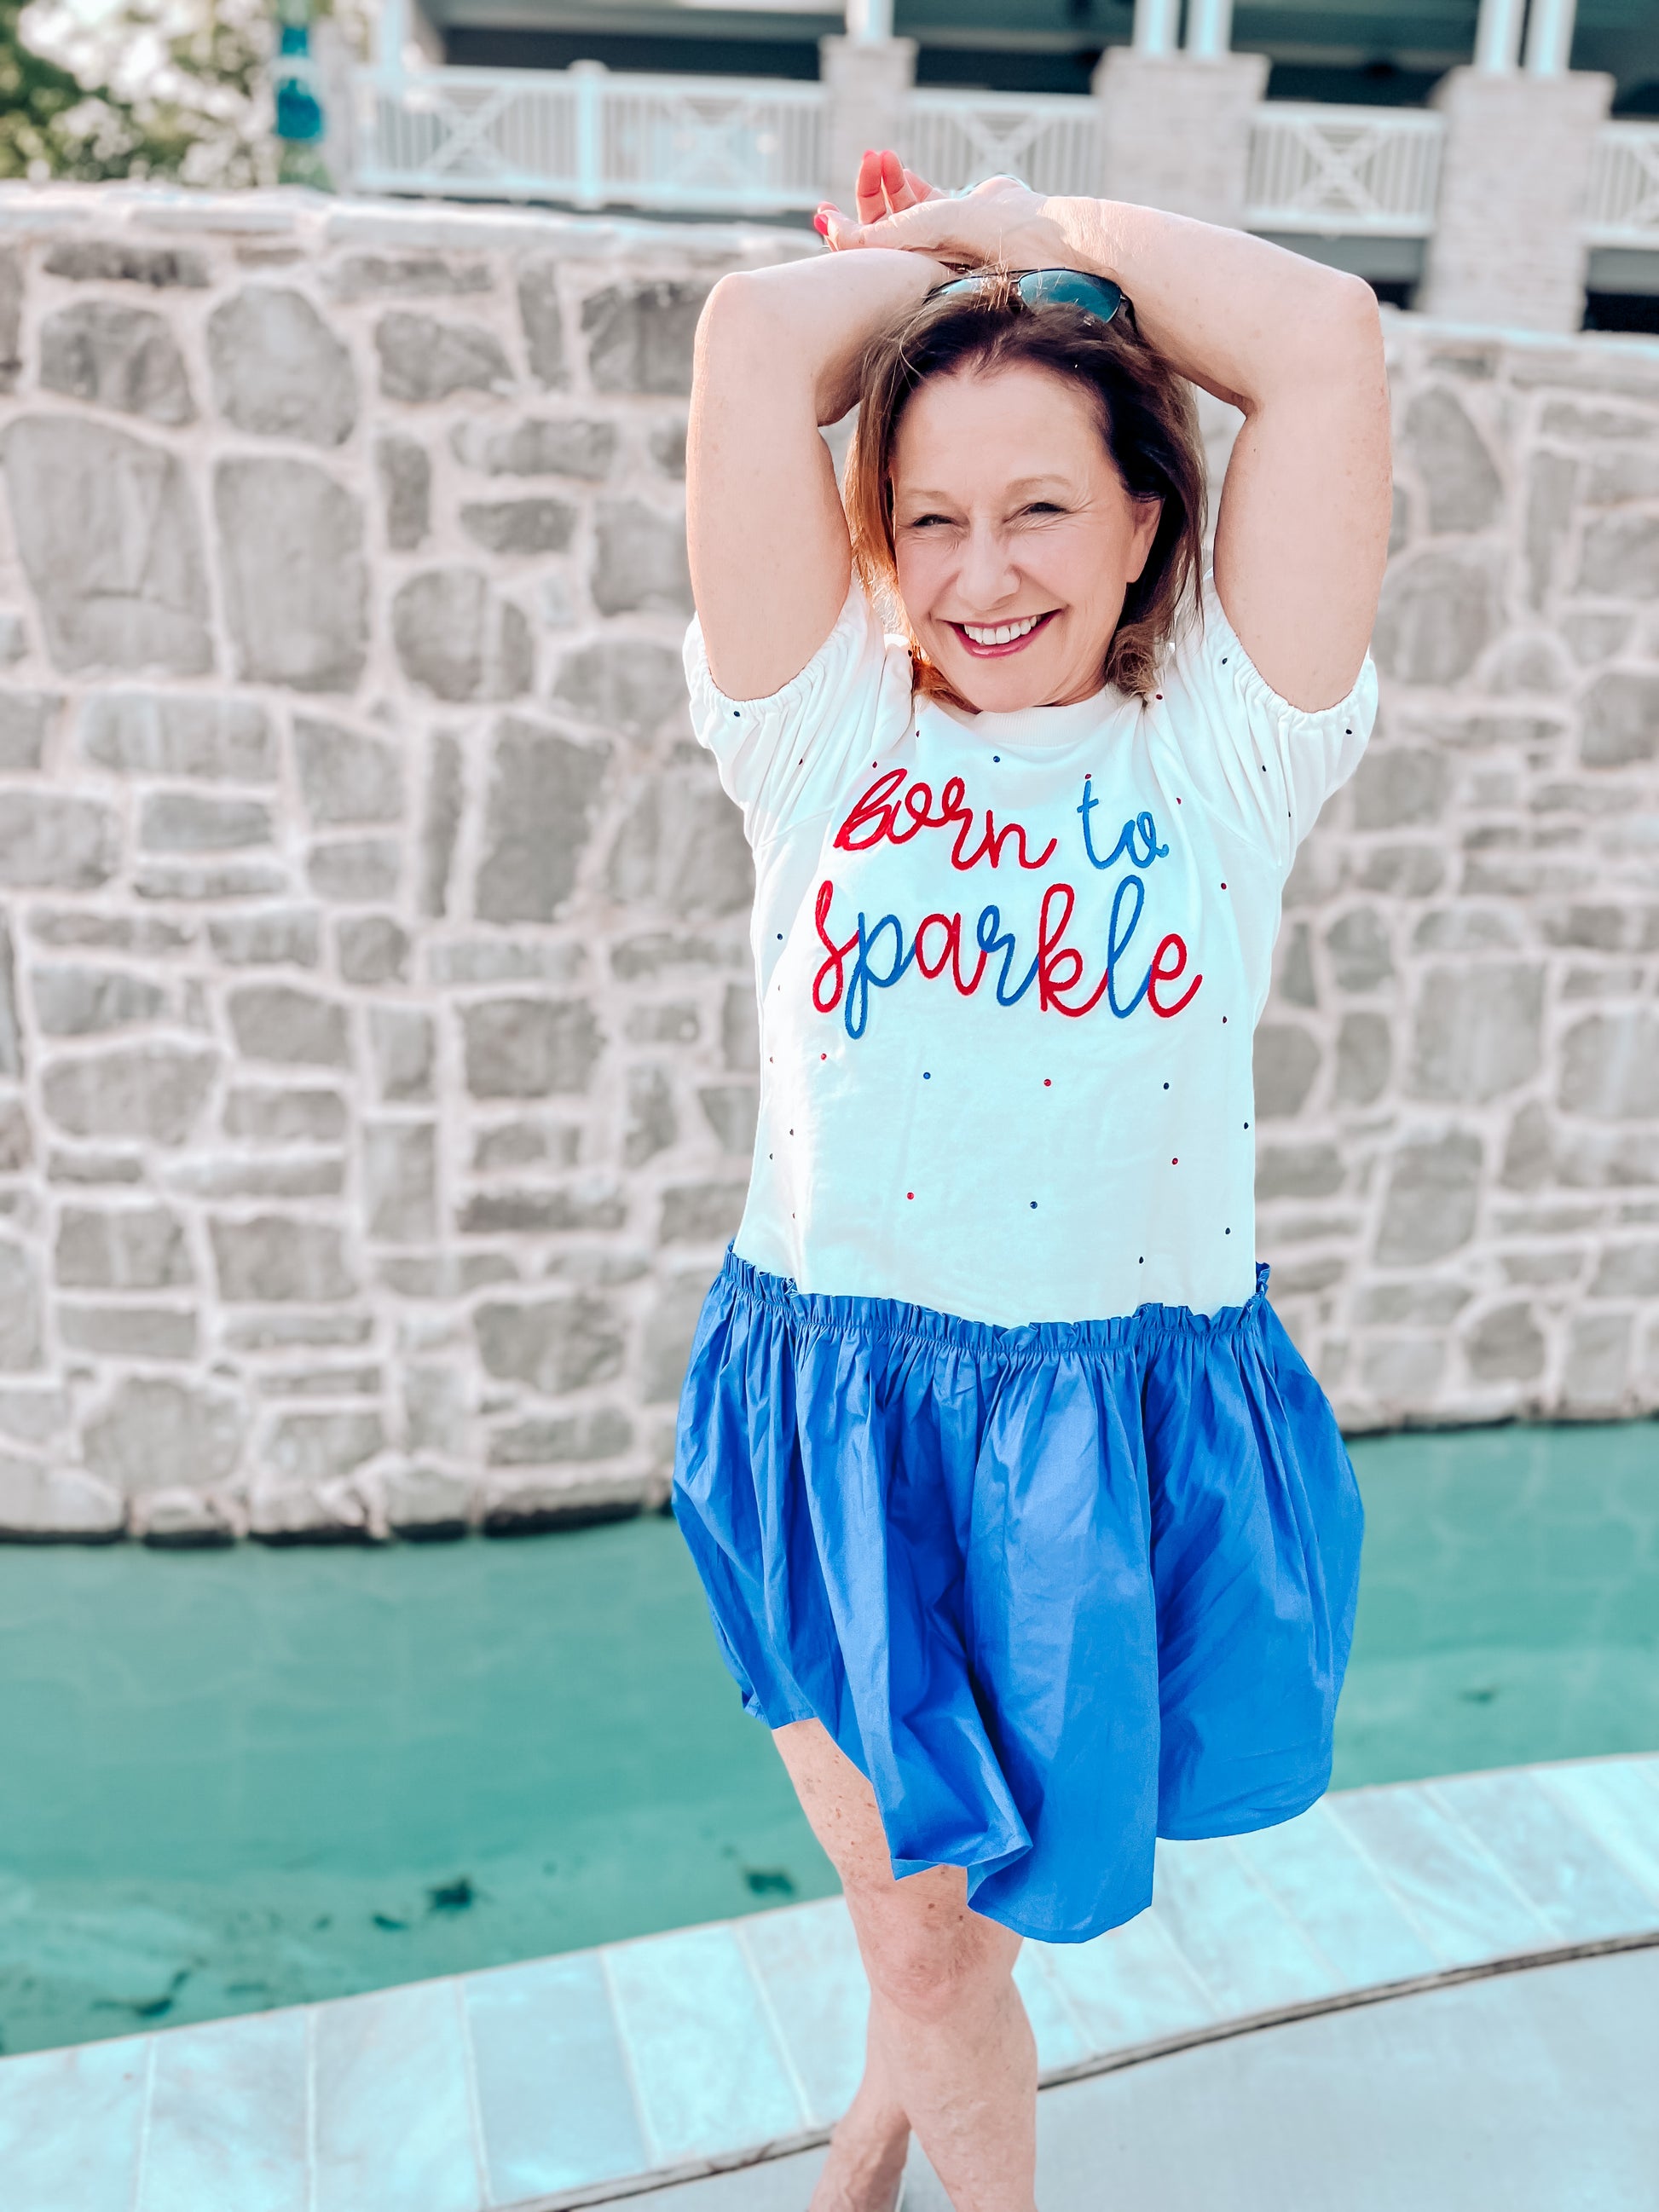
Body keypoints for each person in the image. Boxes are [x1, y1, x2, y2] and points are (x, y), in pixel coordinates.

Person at [673, 148, 1392, 2212]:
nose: (982, 570)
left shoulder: (1227, 750)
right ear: (876, 539)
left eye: (1041, 505)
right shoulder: (810, 734)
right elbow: (750, 341)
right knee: (922, 1928)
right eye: (931, 517)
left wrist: (1028, 223)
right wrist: (927, 263)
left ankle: (863, 2155)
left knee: (953, 1929)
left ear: (1154, 514)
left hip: (1113, 1412)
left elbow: (1321, 341)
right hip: (842, 1408)